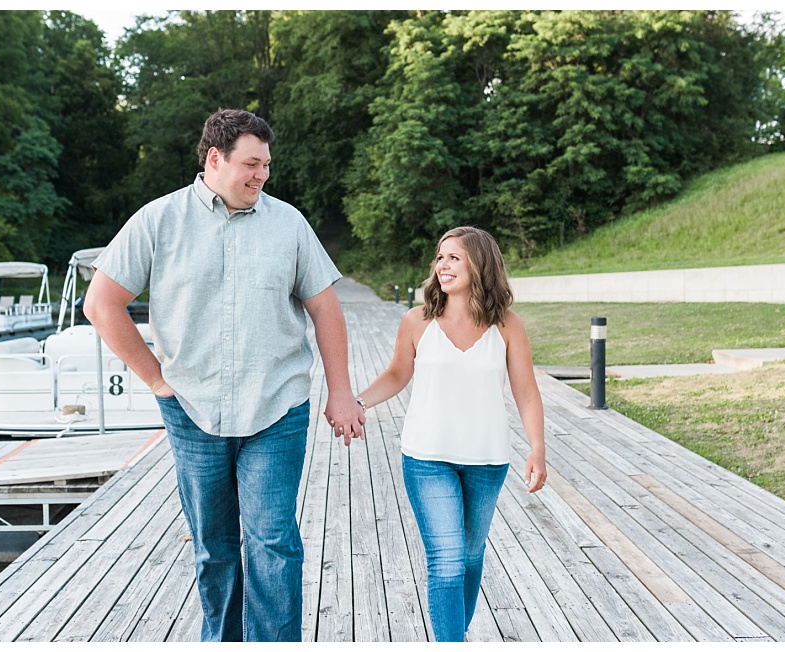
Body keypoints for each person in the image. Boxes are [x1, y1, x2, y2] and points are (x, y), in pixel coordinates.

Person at [84, 108, 365, 642]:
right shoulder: (157, 221)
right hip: (190, 410)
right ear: (215, 159)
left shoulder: (289, 224)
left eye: (266, 165)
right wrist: (157, 382)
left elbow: (326, 309)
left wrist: (342, 391)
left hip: (276, 409)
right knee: (214, 545)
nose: (261, 175)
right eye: (250, 164)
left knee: (273, 540)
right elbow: (102, 304)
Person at [354, 226, 547, 642]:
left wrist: (537, 448)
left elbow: (526, 392)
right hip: (427, 457)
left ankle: (452, 635)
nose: (443, 265)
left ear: (481, 264)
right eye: (440, 257)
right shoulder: (417, 321)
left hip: (487, 459)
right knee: (446, 559)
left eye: (454, 257)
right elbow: (396, 374)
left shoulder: (507, 326)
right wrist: (358, 403)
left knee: (471, 556)